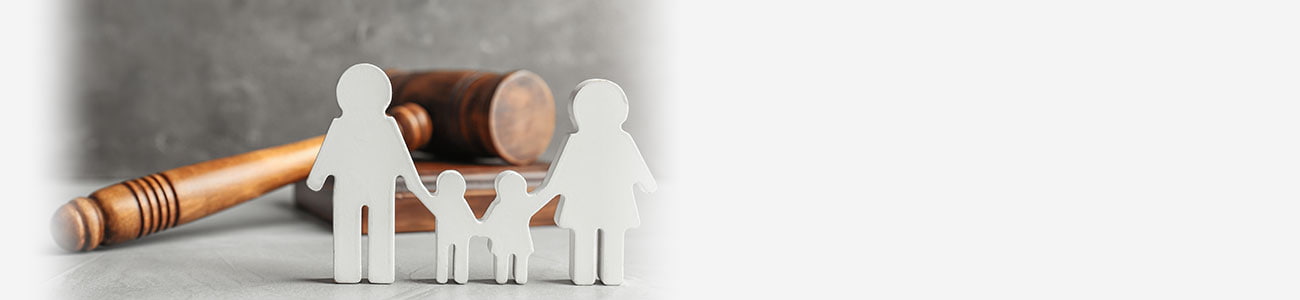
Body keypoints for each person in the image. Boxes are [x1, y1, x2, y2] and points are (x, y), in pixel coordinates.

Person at [305, 63, 427, 284]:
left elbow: (400, 158)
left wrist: (316, 179)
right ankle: (348, 271)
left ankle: (376, 271)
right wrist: (317, 177)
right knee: (349, 225)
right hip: (354, 188)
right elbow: (329, 154)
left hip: (375, 188)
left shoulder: (386, 125)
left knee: (378, 225)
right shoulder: (342, 126)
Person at [535, 79, 657, 285]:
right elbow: (560, 175)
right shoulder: (599, 141)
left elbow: (557, 178)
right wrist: (648, 185)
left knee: (600, 235)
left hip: (596, 205)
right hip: (608, 205)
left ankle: (598, 274)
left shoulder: (616, 140)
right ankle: (593, 274)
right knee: (593, 235)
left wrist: (542, 195)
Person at [481, 171, 551, 284]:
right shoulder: (520, 204)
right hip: (516, 241)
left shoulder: (501, 206)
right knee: (511, 257)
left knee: (508, 257)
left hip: (508, 241)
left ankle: (505, 277)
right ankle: (511, 277)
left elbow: (488, 222)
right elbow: (540, 199)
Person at [411, 171, 480, 284]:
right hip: (453, 235)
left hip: (453, 235)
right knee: (453, 253)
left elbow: (427, 199)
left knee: (454, 253)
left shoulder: (453, 202)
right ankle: (452, 276)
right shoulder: (456, 202)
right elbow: (471, 219)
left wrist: (416, 189)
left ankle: (452, 276)